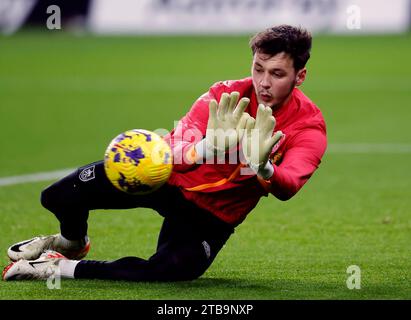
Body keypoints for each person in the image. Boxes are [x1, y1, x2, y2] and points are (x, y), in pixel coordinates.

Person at [3, 25, 327, 282]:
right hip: (165, 180)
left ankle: (56, 269)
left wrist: (264, 167)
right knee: (57, 197)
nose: (263, 82)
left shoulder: (309, 127)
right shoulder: (224, 94)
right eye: (258, 69)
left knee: (173, 270)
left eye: (277, 74)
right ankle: (71, 243)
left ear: (300, 76)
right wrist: (207, 148)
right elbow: (171, 148)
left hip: (212, 215)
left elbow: (290, 184)